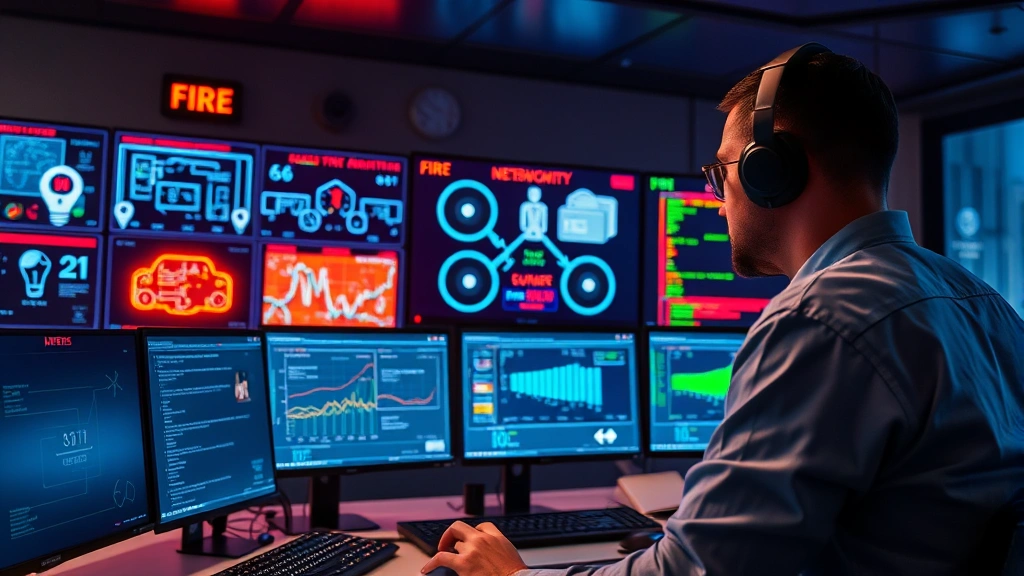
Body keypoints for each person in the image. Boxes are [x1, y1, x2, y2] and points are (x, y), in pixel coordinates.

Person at [421, 45, 1024, 576]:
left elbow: (698, 571)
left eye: (721, 173)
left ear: (774, 171)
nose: (715, 200)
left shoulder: (820, 319)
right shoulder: (985, 305)